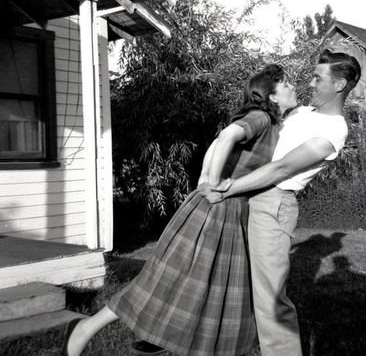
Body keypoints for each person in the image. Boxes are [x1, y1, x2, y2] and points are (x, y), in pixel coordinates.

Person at [61, 64, 297, 356]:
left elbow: (216, 144)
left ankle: (165, 337)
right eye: (287, 85)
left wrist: (206, 176)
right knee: (172, 282)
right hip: (215, 212)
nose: (293, 88)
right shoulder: (260, 118)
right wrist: (212, 181)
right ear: (272, 97)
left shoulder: (274, 125)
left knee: (214, 292)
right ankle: (85, 329)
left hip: (231, 213)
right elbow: (226, 138)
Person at [202, 49, 361, 356]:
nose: (311, 83)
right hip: (251, 195)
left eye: (318, 78)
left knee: (270, 299)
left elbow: (281, 168)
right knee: (238, 281)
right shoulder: (304, 114)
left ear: (339, 85)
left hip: (272, 203)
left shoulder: (334, 130)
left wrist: (226, 188)